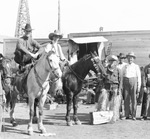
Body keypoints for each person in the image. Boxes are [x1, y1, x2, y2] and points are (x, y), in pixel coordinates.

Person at [96, 55, 122, 122]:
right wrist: (101, 87)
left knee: (115, 104)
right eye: (111, 61)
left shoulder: (118, 70)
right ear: (109, 61)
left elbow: (120, 81)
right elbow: (101, 80)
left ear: (116, 62)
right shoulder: (105, 70)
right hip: (106, 87)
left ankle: (114, 117)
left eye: (113, 61)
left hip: (115, 87)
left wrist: (119, 89)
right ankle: (102, 116)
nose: (112, 62)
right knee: (103, 102)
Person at [122, 52, 141, 120]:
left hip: (134, 81)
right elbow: (123, 75)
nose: (130, 59)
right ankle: (126, 114)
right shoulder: (125, 66)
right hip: (126, 81)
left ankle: (133, 115)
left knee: (134, 99)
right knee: (126, 99)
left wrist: (138, 87)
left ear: (133, 59)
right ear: (127, 58)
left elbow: (139, 77)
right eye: (129, 57)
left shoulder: (136, 66)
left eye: (132, 58)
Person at [117, 53, 127, 119]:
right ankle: (120, 112)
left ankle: (126, 113)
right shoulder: (117, 66)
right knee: (119, 98)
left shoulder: (126, 65)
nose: (121, 59)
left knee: (126, 98)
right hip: (119, 83)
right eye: (120, 58)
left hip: (125, 83)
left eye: (123, 58)